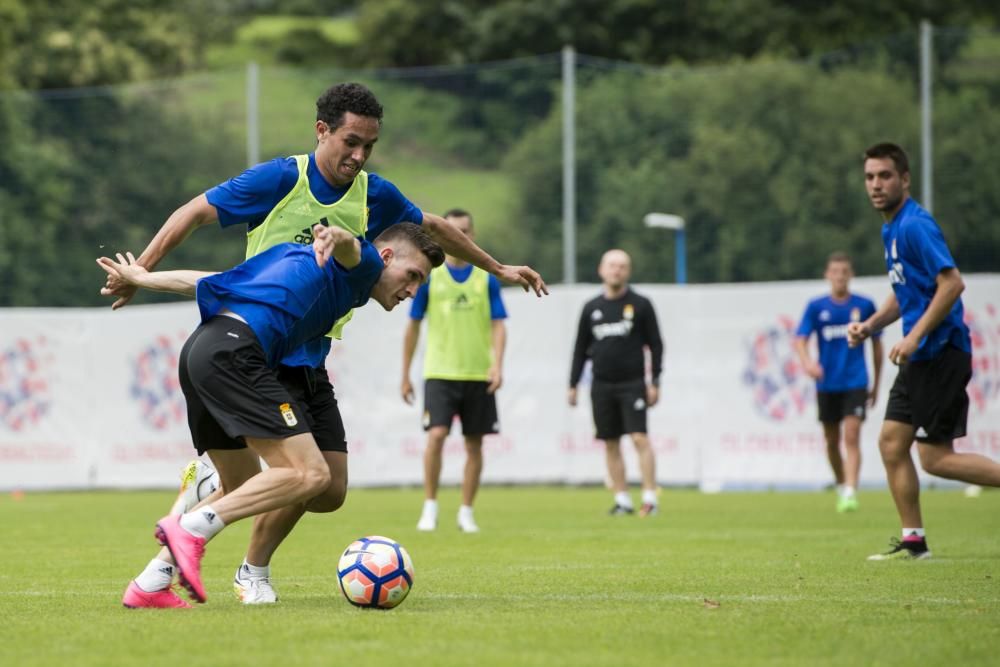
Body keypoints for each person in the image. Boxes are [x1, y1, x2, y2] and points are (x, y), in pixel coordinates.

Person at [102, 82, 546, 605]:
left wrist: (497, 268)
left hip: (304, 352)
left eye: (369, 147)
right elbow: (193, 213)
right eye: (350, 142)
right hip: (257, 351)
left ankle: (156, 576)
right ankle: (249, 569)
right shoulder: (280, 179)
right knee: (303, 475)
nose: (358, 157)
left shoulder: (374, 198)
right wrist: (142, 269)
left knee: (327, 488)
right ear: (322, 131)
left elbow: (431, 228)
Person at [103, 222, 445, 606]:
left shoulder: (294, 261)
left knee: (242, 485)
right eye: (413, 275)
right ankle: (191, 528)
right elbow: (355, 250)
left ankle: (150, 584)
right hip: (236, 354)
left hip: (200, 351)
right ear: (384, 257)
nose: (414, 290)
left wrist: (142, 278)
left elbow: (208, 280)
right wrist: (340, 238)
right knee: (312, 474)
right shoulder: (364, 263)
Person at [847, 142, 1000, 561]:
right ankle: (914, 540)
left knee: (935, 460)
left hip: (939, 352)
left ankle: (916, 539)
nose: (876, 185)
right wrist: (872, 326)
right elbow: (906, 294)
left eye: (885, 176)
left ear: (905, 179)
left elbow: (952, 283)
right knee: (892, 444)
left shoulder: (915, 225)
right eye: (869, 177)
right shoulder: (890, 227)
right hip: (917, 356)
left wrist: (913, 337)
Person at [400, 209, 507, 533]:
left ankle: (466, 512)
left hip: (476, 374)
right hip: (440, 372)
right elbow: (413, 326)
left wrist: (497, 365)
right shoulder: (430, 276)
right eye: (452, 230)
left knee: (474, 444)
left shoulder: (486, 279)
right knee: (436, 435)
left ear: (471, 236)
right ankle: (430, 508)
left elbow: (498, 325)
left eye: (465, 231)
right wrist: (405, 373)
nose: (458, 236)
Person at [568, 249, 664, 517]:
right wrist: (573, 384)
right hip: (601, 385)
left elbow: (656, 345)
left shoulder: (641, 305)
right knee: (610, 442)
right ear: (601, 270)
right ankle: (622, 500)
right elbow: (580, 349)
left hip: (633, 383)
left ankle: (649, 498)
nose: (616, 270)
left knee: (639, 438)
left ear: (628, 272)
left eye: (622, 266)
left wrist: (655, 380)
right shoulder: (591, 308)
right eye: (612, 266)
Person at [795, 252, 883, 513]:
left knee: (852, 436)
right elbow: (800, 339)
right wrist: (808, 363)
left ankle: (850, 491)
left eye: (844, 271)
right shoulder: (816, 307)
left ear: (851, 275)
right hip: (827, 384)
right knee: (831, 441)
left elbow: (877, 346)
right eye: (835, 271)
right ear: (827, 275)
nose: (840, 277)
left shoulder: (865, 306)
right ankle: (841, 482)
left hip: (855, 381)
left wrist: (877, 384)